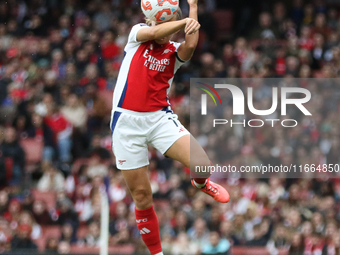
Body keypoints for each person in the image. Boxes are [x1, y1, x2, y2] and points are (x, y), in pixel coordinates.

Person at [110, 1, 230, 254]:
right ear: (152, 21)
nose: (168, 32)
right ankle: (157, 253)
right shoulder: (137, 35)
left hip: (159, 119)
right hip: (126, 122)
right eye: (163, 24)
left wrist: (193, 7)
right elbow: (154, 33)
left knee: (203, 165)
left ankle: (201, 184)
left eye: (172, 27)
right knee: (142, 196)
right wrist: (183, 21)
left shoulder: (174, 51)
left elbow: (191, 44)